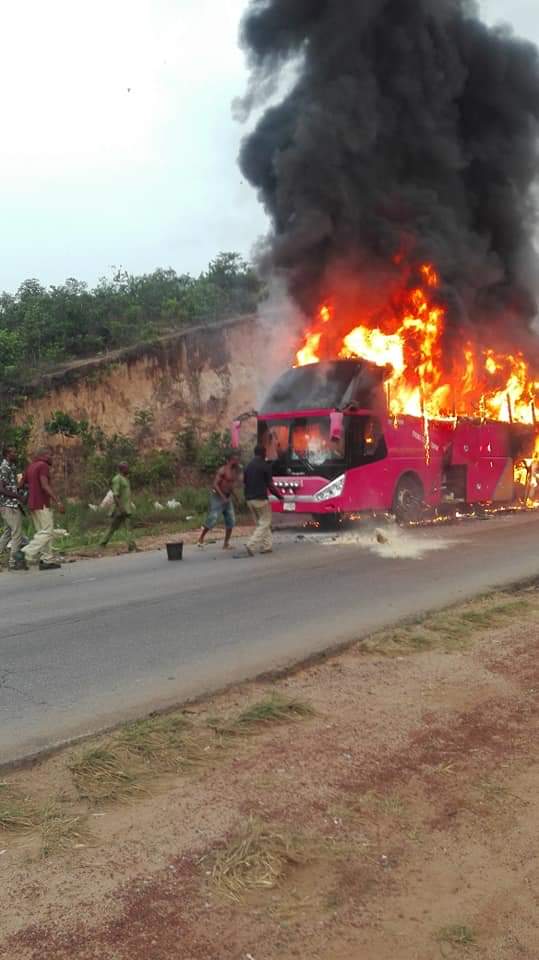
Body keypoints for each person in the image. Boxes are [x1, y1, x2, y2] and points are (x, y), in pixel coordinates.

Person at [234, 445, 284, 558]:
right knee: (265, 522)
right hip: (260, 499)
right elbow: (270, 485)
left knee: (261, 523)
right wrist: (280, 496)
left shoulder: (248, 466)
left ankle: (267, 546)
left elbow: (245, 482)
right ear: (263, 453)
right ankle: (250, 545)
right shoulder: (265, 466)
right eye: (265, 452)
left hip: (249, 499)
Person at [21, 447, 64, 571]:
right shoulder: (43, 466)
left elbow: (21, 484)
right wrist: (58, 501)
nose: (52, 458)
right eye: (50, 455)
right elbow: (45, 486)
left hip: (32, 505)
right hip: (41, 503)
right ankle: (28, 551)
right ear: (44, 455)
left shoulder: (31, 466)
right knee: (47, 532)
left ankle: (47, 560)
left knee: (42, 532)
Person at [198, 452, 241, 550]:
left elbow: (231, 486)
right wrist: (223, 497)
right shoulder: (223, 470)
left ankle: (226, 543)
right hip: (217, 497)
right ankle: (201, 538)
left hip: (227, 498)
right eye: (236, 459)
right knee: (212, 518)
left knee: (231, 520)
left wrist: (236, 497)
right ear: (231, 460)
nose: (238, 461)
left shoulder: (235, 471)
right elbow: (215, 485)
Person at [0, 446, 27, 571]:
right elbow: (1, 488)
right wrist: (18, 496)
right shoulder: (4, 468)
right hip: (8, 505)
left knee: (7, 533)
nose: (16, 454)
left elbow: (12, 486)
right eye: (13, 452)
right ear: (7, 454)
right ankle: (14, 561)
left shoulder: (11, 467)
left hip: (12, 504)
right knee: (17, 532)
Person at [101, 462, 136, 551]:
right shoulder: (117, 479)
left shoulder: (126, 479)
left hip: (126, 508)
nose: (128, 469)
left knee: (129, 527)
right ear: (122, 469)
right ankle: (102, 544)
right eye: (126, 468)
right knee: (112, 527)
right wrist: (120, 508)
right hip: (119, 509)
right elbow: (115, 495)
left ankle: (132, 546)